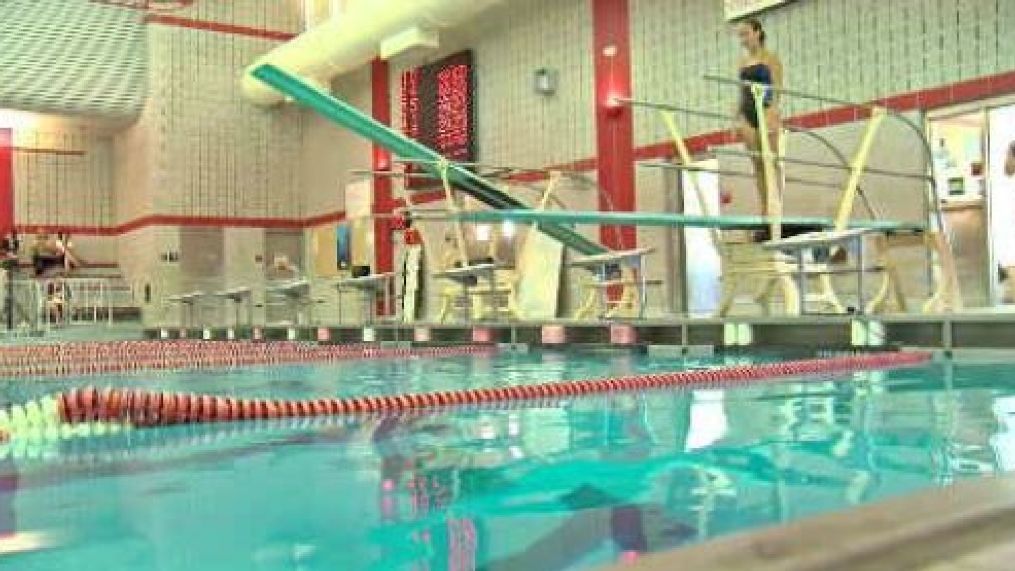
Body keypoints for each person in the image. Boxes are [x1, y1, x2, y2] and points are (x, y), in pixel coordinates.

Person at [734, 18, 784, 240]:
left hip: (765, 109)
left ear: (758, 32)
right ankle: (764, 210)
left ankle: (776, 208)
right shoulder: (742, 62)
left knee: (770, 163)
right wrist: (736, 117)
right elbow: (740, 92)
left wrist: (772, 115)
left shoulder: (771, 59)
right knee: (757, 166)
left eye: (746, 34)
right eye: (740, 36)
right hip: (748, 112)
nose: (743, 39)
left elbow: (777, 89)